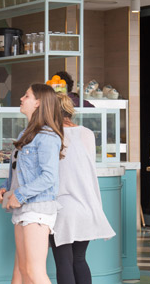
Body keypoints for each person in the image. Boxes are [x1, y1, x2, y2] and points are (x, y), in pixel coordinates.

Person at [0, 84, 64, 284]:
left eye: (26, 95)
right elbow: (20, 171)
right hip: (24, 208)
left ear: (38, 103)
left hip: (38, 208)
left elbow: (49, 176)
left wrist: (19, 194)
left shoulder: (47, 137)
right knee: (24, 271)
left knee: (34, 272)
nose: (21, 98)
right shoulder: (26, 134)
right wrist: (6, 187)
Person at [49, 94, 115, 284]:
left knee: (63, 262)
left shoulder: (50, 134)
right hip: (87, 204)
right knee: (79, 259)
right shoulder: (86, 133)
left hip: (62, 206)